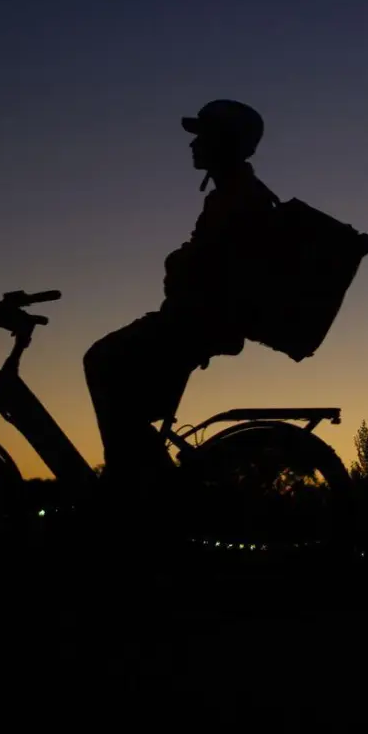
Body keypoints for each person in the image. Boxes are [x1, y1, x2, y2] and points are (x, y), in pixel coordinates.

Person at [83, 99, 279, 499]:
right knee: (122, 391)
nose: (193, 146)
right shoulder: (233, 193)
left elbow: (216, 266)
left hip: (199, 323)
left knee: (102, 360)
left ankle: (137, 490)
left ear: (225, 142)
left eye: (202, 138)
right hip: (195, 320)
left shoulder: (240, 197)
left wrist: (180, 261)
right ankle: (145, 486)